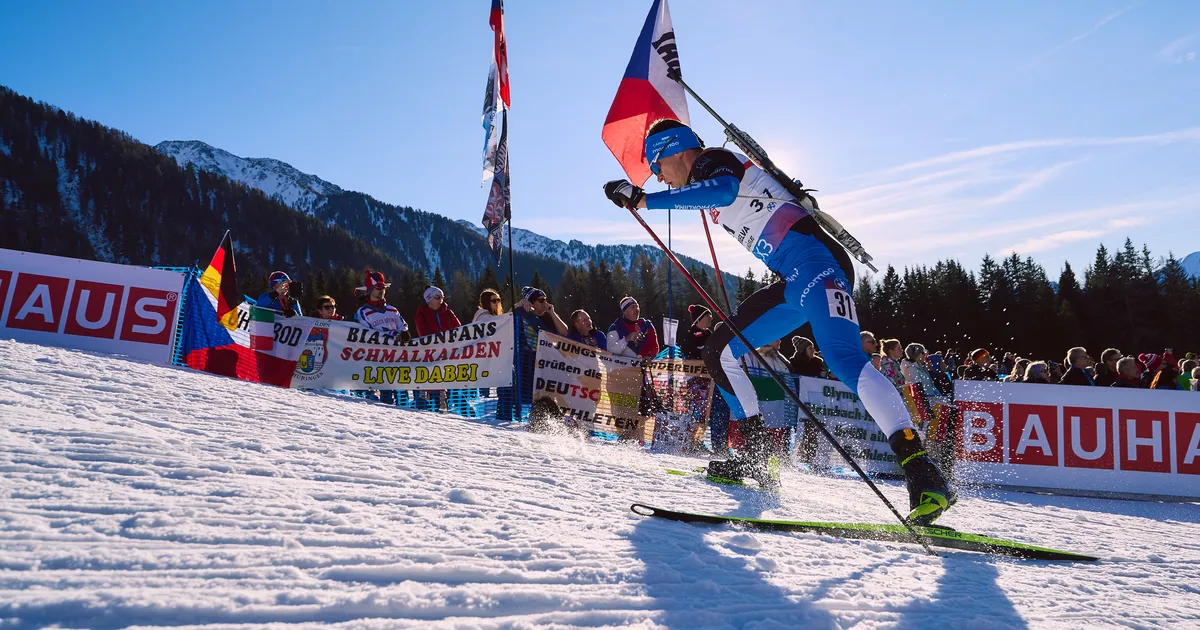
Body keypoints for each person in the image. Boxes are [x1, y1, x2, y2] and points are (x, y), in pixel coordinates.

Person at [603, 119, 953, 523]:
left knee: (844, 362)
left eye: (658, 167)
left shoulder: (712, 163)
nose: (661, 179)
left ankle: (923, 473)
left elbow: (723, 189)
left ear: (674, 151)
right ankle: (754, 457)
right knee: (721, 350)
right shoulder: (705, 175)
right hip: (794, 280)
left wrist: (644, 200)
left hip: (818, 267)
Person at [499, 286, 569, 422]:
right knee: (526, 392)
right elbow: (503, 321)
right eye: (540, 301)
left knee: (545, 393)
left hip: (546, 361)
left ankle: (545, 419)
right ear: (531, 302)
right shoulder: (523, 314)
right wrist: (519, 304)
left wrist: (553, 313)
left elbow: (564, 332)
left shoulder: (548, 317)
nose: (544, 303)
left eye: (545, 300)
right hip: (526, 361)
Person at [354, 270, 410, 404]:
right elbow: (365, 334)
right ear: (370, 289)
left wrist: (403, 333)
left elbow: (403, 326)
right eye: (378, 288)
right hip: (376, 360)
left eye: (383, 288)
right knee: (384, 399)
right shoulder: (363, 312)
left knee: (403, 397)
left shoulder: (392, 310)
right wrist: (391, 335)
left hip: (397, 358)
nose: (382, 291)